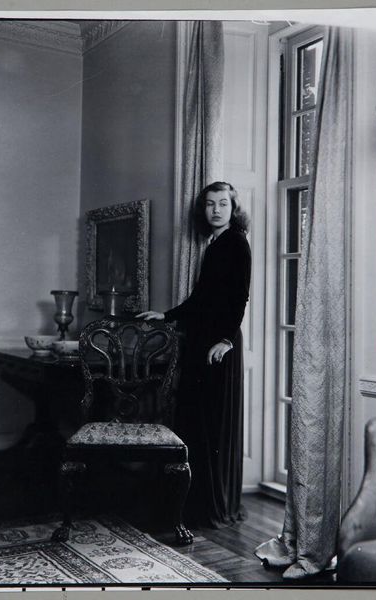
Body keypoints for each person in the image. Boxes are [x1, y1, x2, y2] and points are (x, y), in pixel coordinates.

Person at [137, 181, 251, 528]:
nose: (216, 210)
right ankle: (195, 505)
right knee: (196, 422)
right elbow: (201, 299)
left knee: (209, 426)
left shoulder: (236, 242)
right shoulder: (215, 244)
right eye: (210, 204)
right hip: (201, 341)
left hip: (218, 346)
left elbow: (239, 296)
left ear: (233, 209)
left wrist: (226, 340)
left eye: (223, 204)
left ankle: (211, 506)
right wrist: (166, 315)